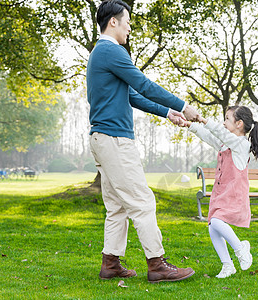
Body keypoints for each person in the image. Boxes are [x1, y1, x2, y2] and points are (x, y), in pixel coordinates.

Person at [87, 0, 199, 283]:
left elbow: (131, 95)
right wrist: (183, 105)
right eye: (127, 21)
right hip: (114, 140)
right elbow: (144, 84)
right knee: (142, 202)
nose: (129, 27)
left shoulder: (101, 54)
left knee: (118, 206)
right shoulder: (112, 51)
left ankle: (111, 263)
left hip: (103, 139)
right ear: (113, 21)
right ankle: (157, 264)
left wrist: (167, 112)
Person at [181, 106, 258, 278]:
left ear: (239, 124)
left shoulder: (241, 144)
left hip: (234, 195)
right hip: (221, 193)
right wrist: (189, 125)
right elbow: (210, 136)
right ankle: (227, 265)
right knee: (212, 227)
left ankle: (240, 248)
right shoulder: (227, 144)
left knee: (217, 221)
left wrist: (203, 120)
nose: (223, 123)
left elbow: (220, 133)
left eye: (227, 119)